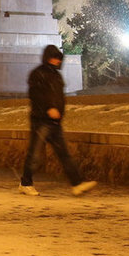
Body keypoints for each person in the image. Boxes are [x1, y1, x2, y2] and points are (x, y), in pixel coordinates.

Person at [19, 44, 97, 197]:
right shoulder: (38, 74)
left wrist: (59, 112)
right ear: (47, 58)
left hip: (54, 122)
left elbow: (59, 97)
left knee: (64, 154)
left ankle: (77, 184)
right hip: (40, 121)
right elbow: (36, 96)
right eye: (53, 58)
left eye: (58, 59)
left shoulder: (56, 75)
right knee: (35, 155)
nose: (56, 61)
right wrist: (48, 108)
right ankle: (25, 183)